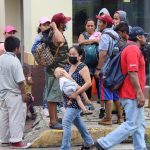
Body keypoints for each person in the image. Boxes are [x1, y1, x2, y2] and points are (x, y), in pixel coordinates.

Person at [96, 26, 147, 150]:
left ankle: (141, 148)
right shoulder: (133, 49)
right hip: (131, 94)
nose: (146, 38)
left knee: (139, 126)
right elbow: (132, 72)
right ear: (139, 37)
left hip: (131, 93)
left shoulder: (130, 48)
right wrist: (139, 93)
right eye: (144, 36)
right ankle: (103, 143)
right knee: (132, 124)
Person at [61, 46, 94, 150]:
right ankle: (89, 142)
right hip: (68, 100)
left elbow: (88, 83)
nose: (71, 56)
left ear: (80, 56)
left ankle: (65, 148)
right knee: (78, 122)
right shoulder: (68, 67)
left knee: (66, 122)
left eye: (74, 55)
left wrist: (77, 93)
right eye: (69, 54)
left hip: (76, 101)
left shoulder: (83, 67)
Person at [0, 36, 31, 148]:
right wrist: (23, 94)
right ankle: (16, 141)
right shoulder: (15, 61)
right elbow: (20, 81)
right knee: (16, 118)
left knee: (4, 117)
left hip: (3, 94)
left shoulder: (1, 58)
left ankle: (4, 139)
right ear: (16, 48)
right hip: (14, 94)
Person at [95, 14, 123, 125]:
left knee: (107, 94)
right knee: (115, 93)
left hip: (106, 69)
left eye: (101, 22)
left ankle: (108, 118)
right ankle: (120, 118)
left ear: (106, 23)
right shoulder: (115, 34)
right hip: (116, 69)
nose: (98, 24)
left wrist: (98, 69)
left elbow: (103, 53)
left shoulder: (105, 35)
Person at [45, 13, 71, 129]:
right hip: (54, 71)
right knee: (52, 96)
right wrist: (55, 27)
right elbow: (60, 40)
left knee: (55, 96)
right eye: (64, 22)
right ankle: (53, 121)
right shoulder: (56, 34)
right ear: (60, 24)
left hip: (57, 69)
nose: (66, 24)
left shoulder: (55, 33)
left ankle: (54, 118)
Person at [78, 19, 100, 110]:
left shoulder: (98, 34)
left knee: (100, 85)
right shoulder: (82, 35)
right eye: (88, 25)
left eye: (92, 25)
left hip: (98, 65)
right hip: (86, 65)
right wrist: (94, 40)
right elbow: (81, 42)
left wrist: (94, 40)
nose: (90, 27)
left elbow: (100, 41)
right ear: (85, 26)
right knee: (87, 85)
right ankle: (87, 104)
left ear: (95, 26)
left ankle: (102, 106)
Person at [31, 17, 50, 117]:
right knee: (47, 85)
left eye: (48, 24)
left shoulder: (50, 34)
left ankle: (57, 106)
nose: (46, 26)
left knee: (56, 86)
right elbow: (33, 50)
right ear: (40, 26)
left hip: (54, 63)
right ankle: (45, 107)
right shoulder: (39, 37)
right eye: (44, 24)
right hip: (47, 64)